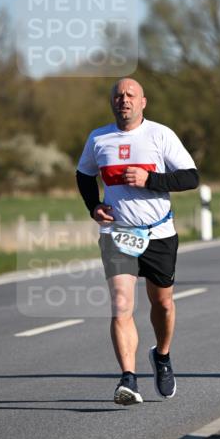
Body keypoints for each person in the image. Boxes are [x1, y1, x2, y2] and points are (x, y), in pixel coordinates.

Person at [76, 78, 199, 406]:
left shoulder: (160, 135)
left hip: (158, 232)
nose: (124, 100)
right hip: (117, 233)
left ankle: (161, 355)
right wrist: (94, 206)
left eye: (130, 95)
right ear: (111, 102)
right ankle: (128, 378)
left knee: (163, 304)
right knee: (121, 304)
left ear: (143, 102)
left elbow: (191, 177)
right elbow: (84, 174)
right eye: (118, 96)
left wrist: (151, 180)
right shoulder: (98, 138)